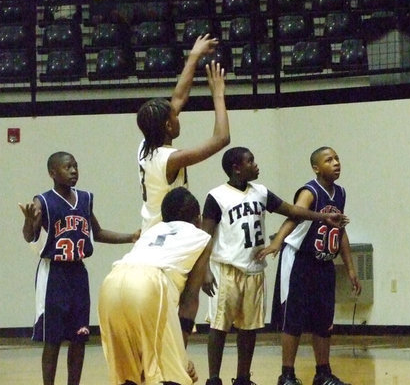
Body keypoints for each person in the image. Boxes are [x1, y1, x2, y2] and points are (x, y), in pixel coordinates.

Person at [201, 146, 350, 385]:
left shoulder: (260, 192)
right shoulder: (216, 196)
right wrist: (204, 270)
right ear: (237, 168)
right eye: (251, 161)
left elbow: (291, 211)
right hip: (226, 268)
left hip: (254, 267)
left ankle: (243, 378)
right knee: (219, 327)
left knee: (249, 328)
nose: (256, 164)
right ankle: (214, 379)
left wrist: (323, 217)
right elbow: (205, 235)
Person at [18, 151, 139, 385]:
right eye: (67, 167)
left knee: (80, 337)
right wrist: (27, 221)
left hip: (78, 274)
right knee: (52, 340)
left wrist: (130, 236)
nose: (74, 171)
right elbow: (29, 236)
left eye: (75, 166)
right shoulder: (42, 201)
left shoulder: (84, 198)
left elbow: (98, 232)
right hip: (54, 274)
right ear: (53, 173)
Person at [98, 187, 213, 385]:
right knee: (172, 377)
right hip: (150, 283)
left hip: (111, 282)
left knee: (130, 376)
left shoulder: (151, 232)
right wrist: (181, 358)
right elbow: (188, 301)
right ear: (198, 218)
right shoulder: (201, 237)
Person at [266, 146, 361, 385]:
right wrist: (278, 240)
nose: (336, 162)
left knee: (323, 322)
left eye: (337, 158)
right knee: (294, 320)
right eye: (329, 160)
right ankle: (286, 375)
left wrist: (350, 268)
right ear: (316, 168)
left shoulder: (340, 193)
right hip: (300, 260)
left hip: (324, 264)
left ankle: (323, 373)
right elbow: (294, 215)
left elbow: (340, 230)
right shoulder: (310, 191)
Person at [137, 34, 230, 232]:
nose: (178, 115)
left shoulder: (145, 145)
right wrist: (218, 95)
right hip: (165, 238)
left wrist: (194, 55)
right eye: (175, 117)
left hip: (151, 231)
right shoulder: (170, 159)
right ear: (168, 126)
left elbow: (179, 97)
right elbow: (222, 138)